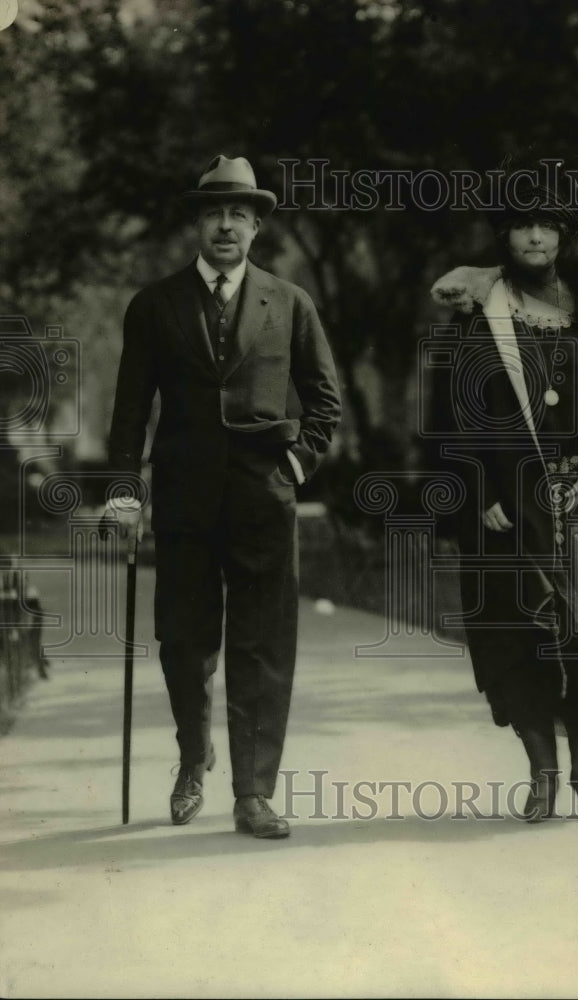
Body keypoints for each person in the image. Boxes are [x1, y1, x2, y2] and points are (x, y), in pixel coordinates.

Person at [107, 155, 341, 837]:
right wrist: (125, 492)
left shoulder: (289, 301)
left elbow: (325, 401)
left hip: (263, 497)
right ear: (197, 223)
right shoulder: (154, 305)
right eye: (215, 212)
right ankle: (192, 756)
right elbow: (129, 408)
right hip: (182, 497)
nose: (227, 225)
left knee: (263, 641)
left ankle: (253, 792)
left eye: (240, 214)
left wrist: (296, 467)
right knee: (183, 641)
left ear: (258, 226)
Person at [430, 181, 578, 822]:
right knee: (518, 641)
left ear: (565, 234)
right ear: (502, 234)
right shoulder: (478, 315)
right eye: (521, 225)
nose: (535, 236)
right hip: (504, 509)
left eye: (547, 225)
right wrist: (477, 495)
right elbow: (449, 419)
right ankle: (542, 773)